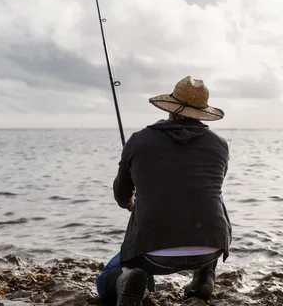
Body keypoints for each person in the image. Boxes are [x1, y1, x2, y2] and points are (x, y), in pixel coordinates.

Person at [96, 76, 232, 306]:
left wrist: (132, 203)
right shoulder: (219, 144)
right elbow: (201, 192)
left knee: (106, 278)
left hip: (152, 254)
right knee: (209, 200)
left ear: (170, 109)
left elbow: (121, 195)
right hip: (213, 246)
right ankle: (204, 277)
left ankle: (125, 281)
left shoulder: (140, 139)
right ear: (201, 113)